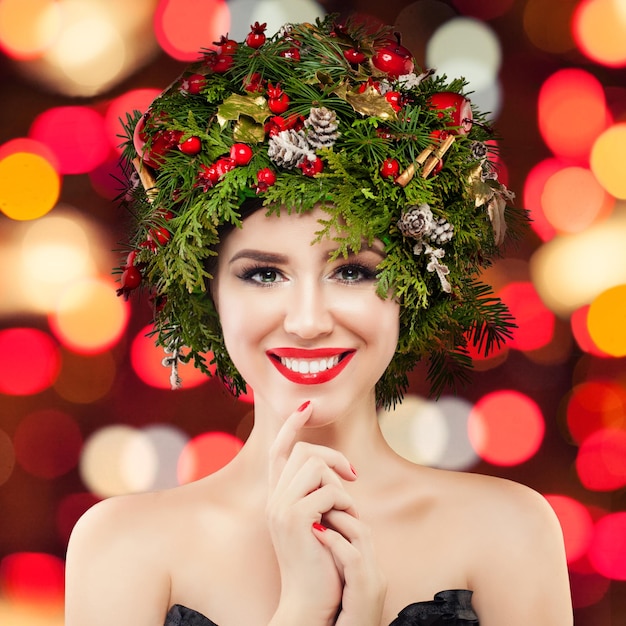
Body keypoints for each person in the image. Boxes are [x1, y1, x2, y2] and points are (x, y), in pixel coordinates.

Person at [65, 15, 573, 626]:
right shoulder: (122, 546)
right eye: (262, 274)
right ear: (210, 296)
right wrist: (307, 609)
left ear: (409, 292)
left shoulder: (509, 531)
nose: (307, 322)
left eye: (353, 271)